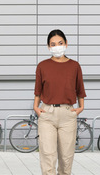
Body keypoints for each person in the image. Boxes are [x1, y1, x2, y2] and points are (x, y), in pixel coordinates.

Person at [33, 29, 86, 175]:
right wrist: (35, 107)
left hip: (68, 114)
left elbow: (80, 89)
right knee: (47, 156)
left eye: (60, 43)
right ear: (49, 47)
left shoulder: (75, 66)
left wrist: (81, 108)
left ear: (66, 44)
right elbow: (38, 90)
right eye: (53, 44)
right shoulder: (42, 66)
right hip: (47, 114)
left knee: (66, 158)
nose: (57, 46)